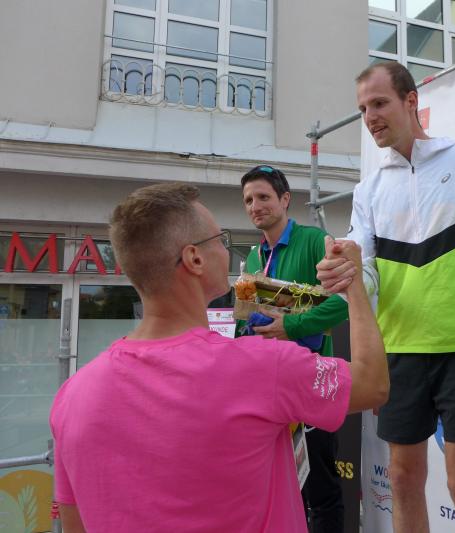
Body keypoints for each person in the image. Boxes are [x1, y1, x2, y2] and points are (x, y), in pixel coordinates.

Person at [49, 182, 387, 533]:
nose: (228, 251)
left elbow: (75, 523)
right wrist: (354, 284)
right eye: (220, 240)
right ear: (194, 258)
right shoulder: (262, 367)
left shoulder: (72, 396)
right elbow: (373, 383)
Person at [317, 62, 455, 533]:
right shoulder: (368, 189)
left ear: (411, 101)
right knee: (403, 480)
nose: (370, 117)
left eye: (379, 103)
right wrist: (345, 271)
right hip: (400, 351)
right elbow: (366, 275)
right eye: (363, 109)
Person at [239, 164, 349, 532]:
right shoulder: (255, 257)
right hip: (271, 389)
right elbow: (248, 315)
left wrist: (291, 325)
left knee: (322, 492)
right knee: (285, 489)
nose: (255, 206)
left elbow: (345, 301)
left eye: (263, 197)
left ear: (285, 199)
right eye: (249, 200)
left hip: (311, 385)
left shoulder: (316, 241)